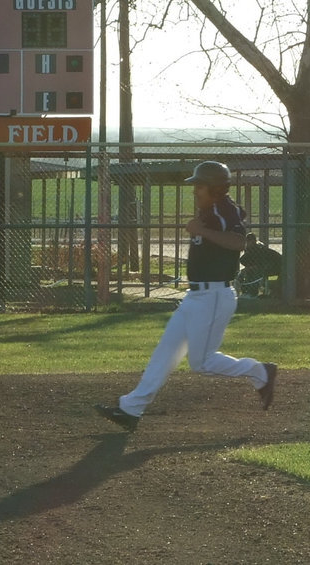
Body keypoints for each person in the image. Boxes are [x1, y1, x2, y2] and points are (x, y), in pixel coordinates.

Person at [93, 161, 278, 432]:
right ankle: (130, 409)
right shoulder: (211, 209)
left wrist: (202, 231)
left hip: (214, 295)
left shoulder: (223, 210)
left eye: (200, 186)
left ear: (215, 188)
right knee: (165, 353)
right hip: (196, 296)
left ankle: (260, 372)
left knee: (202, 363)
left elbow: (239, 243)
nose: (195, 191)